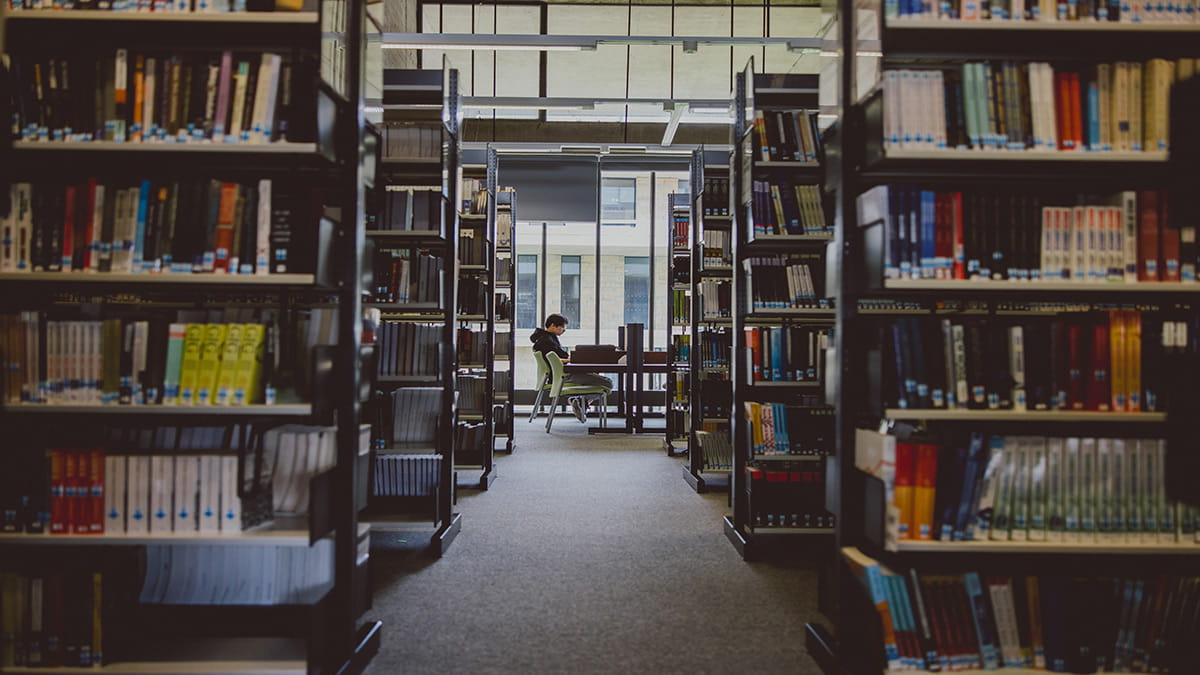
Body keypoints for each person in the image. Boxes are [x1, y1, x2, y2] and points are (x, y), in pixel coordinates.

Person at [529, 313, 612, 423]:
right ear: (553, 326)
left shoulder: (544, 338)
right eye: (562, 327)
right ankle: (582, 400)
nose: (564, 330)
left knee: (595, 379)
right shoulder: (546, 341)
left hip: (559, 376)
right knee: (608, 383)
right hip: (564, 376)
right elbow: (555, 360)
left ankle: (580, 401)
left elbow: (557, 358)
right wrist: (571, 359)